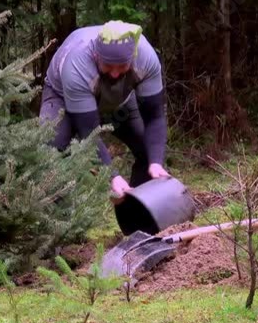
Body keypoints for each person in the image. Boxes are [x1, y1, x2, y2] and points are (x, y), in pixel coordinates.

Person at [39, 20, 170, 235]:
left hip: (119, 102)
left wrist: (155, 162)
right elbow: (88, 132)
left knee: (148, 150)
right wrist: (112, 175)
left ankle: (141, 227)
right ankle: (60, 232)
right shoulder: (78, 63)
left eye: (122, 67)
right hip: (62, 97)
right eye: (108, 66)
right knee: (51, 150)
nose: (116, 73)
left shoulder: (145, 57)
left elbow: (154, 116)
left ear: (133, 57)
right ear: (96, 56)